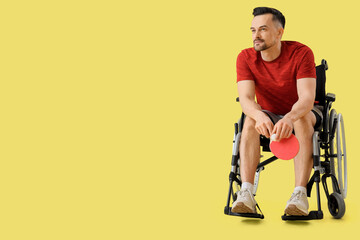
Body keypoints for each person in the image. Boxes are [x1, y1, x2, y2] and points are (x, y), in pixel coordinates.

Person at [232, 7, 323, 216]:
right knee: (250, 120)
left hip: (303, 112)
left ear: (279, 32)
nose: (256, 35)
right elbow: (246, 98)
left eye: (263, 29)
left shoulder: (301, 53)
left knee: (299, 120)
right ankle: (246, 192)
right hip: (270, 113)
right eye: (253, 30)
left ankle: (299, 195)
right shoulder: (245, 57)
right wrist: (259, 115)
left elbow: (307, 98)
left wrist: (290, 118)